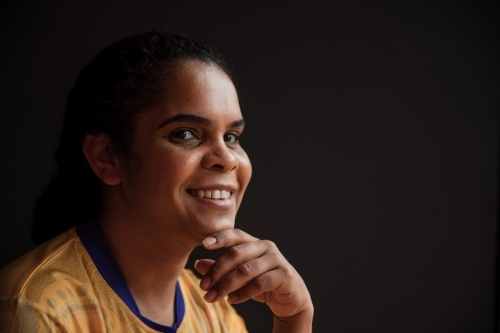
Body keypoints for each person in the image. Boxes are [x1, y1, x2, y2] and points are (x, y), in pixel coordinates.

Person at [0, 30, 313, 332]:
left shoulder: (215, 314)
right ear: (107, 156)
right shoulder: (34, 309)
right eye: (186, 134)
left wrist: (293, 321)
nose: (228, 158)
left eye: (231, 136)